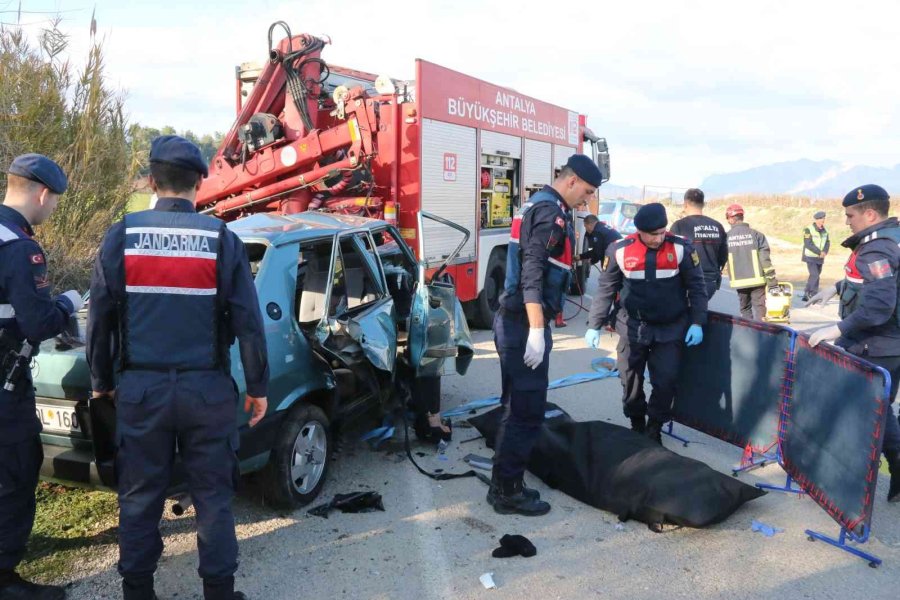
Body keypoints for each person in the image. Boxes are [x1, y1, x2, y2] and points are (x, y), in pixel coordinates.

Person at [86, 136, 270, 600]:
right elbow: (248, 323)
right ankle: (219, 593)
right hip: (206, 392)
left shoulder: (121, 236)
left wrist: (102, 383)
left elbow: (100, 319)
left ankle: (138, 592)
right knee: (213, 497)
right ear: (199, 185)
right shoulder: (222, 239)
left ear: (152, 181)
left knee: (139, 498)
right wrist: (258, 386)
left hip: (141, 392)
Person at [489, 154, 601, 516]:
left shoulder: (539, 203)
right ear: (571, 181)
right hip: (523, 324)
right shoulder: (550, 213)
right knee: (526, 411)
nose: (587, 200)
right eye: (587, 191)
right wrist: (537, 330)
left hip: (515, 320)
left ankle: (503, 483)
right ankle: (507, 492)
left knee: (514, 407)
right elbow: (532, 273)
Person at [0, 154, 82, 600]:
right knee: (14, 475)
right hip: (4, 388)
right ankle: (5, 580)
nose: (52, 210)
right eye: (55, 202)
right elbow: (37, 323)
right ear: (43, 194)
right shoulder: (19, 248)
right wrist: (68, 303)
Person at [806, 184, 900, 502]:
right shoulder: (889, 238)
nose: (847, 222)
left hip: (876, 345)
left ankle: (852, 492)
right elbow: (876, 281)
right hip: (886, 343)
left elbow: (878, 306)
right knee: (880, 410)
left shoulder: (877, 248)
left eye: (850, 216)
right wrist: (837, 287)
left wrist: (837, 329)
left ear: (869, 214)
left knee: (865, 413)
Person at [585, 203, 708, 443]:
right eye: (653, 234)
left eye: (662, 232)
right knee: (630, 379)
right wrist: (594, 324)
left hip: (669, 327)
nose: (658, 238)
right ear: (639, 231)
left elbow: (697, 287)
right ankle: (637, 423)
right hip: (632, 326)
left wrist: (697, 322)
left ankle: (654, 428)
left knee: (666, 381)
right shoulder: (619, 250)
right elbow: (606, 289)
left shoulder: (681, 248)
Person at [670, 188, 728, 300]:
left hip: (685, 281)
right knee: (699, 307)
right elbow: (723, 255)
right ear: (703, 204)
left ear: (685, 204)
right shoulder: (717, 226)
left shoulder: (679, 226)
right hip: (710, 281)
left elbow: (670, 254)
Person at [724, 204, 778, 320]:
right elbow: (765, 260)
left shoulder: (726, 237)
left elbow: (721, 259)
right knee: (760, 308)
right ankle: (761, 329)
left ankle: (748, 329)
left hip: (739, 282)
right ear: (742, 217)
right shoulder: (757, 235)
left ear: (731, 218)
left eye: (727, 218)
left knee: (745, 309)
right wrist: (772, 283)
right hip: (758, 281)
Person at [800, 210, 830, 302]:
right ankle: (813, 294)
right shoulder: (808, 229)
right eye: (821, 219)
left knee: (815, 275)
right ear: (816, 220)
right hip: (810, 256)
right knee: (815, 275)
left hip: (820, 257)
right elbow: (808, 243)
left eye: (823, 219)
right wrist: (819, 252)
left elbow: (827, 242)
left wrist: (824, 252)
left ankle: (806, 294)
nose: (822, 220)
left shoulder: (825, 230)